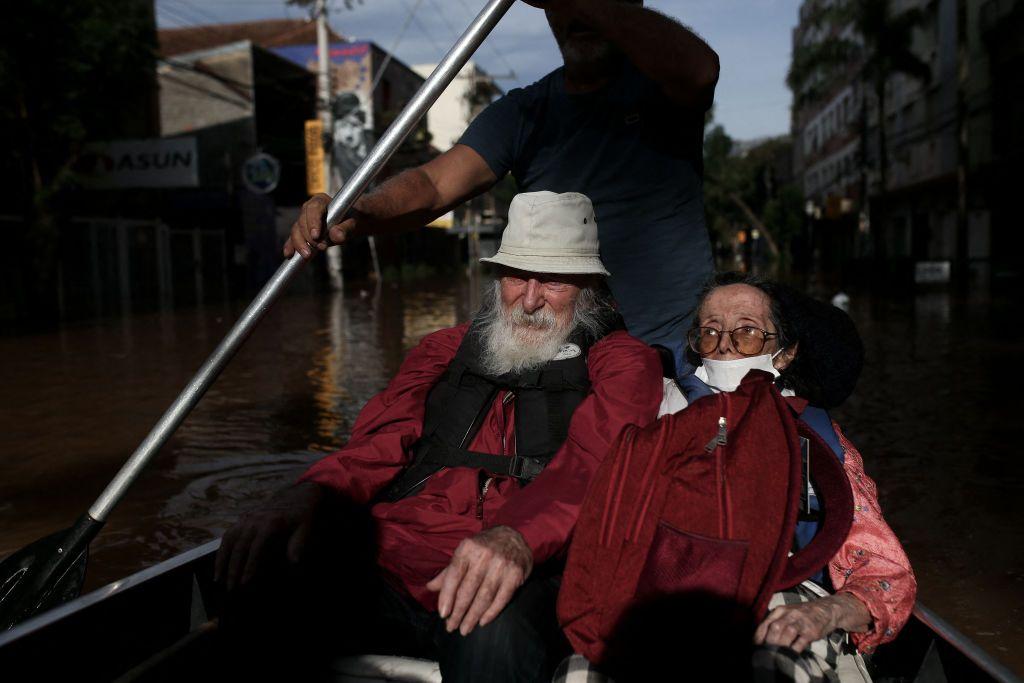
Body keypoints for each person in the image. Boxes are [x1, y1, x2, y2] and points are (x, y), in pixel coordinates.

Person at [216, 191, 664, 682]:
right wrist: (309, 491)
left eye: (554, 281)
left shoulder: (622, 362)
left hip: (522, 564)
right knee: (260, 577)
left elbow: (595, 464)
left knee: (493, 633)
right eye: (517, 276)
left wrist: (518, 537)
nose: (531, 299)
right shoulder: (441, 349)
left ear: (589, 289)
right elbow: (376, 444)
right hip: (396, 555)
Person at [286, 0, 720, 368]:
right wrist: (355, 212)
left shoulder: (666, 87)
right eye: (560, 8)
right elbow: (434, 186)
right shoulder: (523, 113)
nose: (575, 14)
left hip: (678, 348)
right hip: (573, 357)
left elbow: (701, 71)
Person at [554, 272, 916, 682]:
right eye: (710, 331)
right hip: (663, 598)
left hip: (787, 596)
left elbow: (888, 575)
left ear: (784, 352)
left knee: (771, 665)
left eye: (746, 331)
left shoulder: (814, 440)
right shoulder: (658, 417)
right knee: (581, 673)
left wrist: (823, 612)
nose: (724, 344)